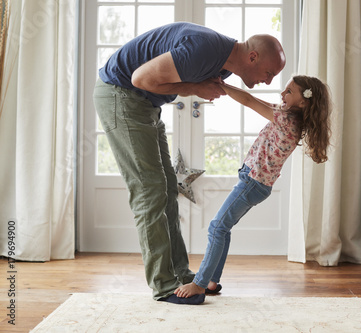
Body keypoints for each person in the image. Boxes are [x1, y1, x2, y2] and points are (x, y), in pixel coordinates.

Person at [93, 22, 286, 305]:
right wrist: (194, 87)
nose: (269, 82)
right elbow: (139, 78)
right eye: (269, 74)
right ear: (253, 58)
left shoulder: (227, 62)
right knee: (150, 190)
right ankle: (164, 284)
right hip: (121, 94)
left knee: (167, 188)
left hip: (144, 103)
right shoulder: (204, 49)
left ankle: (182, 276)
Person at [174, 75, 332, 302]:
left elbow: (249, 101)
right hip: (255, 183)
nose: (282, 94)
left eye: (289, 91)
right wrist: (224, 85)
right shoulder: (288, 115)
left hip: (252, 183)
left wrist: (221, 86)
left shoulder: (287, 121)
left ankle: (199, 284)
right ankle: (211, 280)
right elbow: (259, 101)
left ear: (304, 101)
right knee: (222, 228)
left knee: (217, 228)